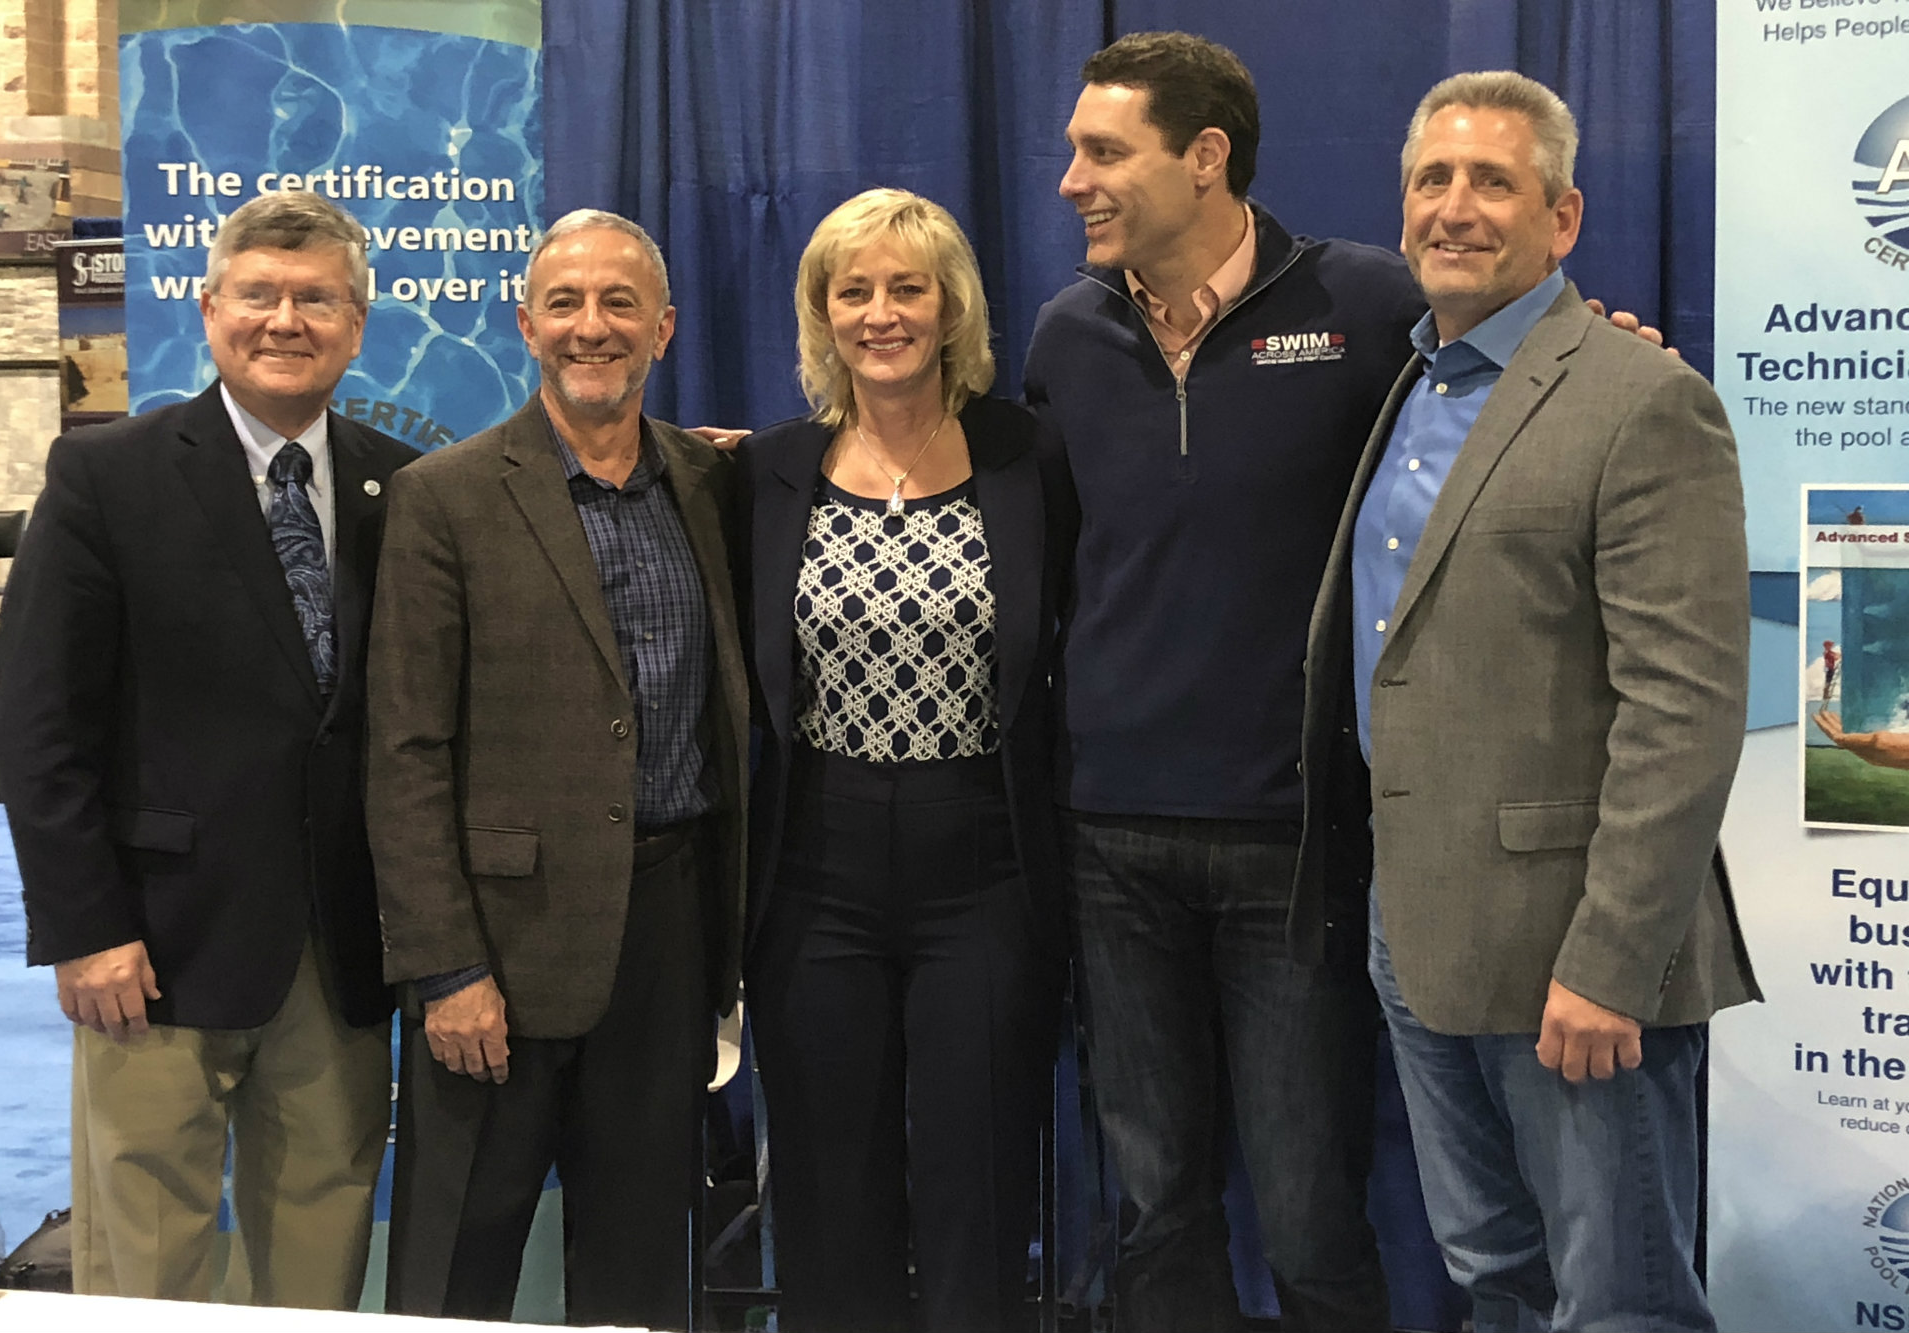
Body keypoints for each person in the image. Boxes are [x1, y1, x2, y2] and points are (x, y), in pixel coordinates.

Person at [1297, 71, 1758, 1330]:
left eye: (1490, 181)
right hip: (1420, 936)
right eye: (1431, 181)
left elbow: (1684, 710)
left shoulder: (1641, 399)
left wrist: (1609, 965)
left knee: (1620, 1301)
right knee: (1492, 1279)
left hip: (1574, 965)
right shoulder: (1411, 385)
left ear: (1561, 218)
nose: (1453, 207)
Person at [1020, 32, 1422, 1332]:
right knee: (1156, 1205)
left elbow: (1503, 415)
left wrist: (1615, 347)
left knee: (1310, 1208)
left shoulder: (1364, 306)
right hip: (1110, 842)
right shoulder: (1066, 336)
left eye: (1102, 151)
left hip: (1293, 848)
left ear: (1205, 157)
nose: (1071, 179)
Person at [0, 190, 416, 1307]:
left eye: (316, 297)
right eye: (260, 293)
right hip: (154, 950)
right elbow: (42, 725)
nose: (286, 318)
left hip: (336, 952)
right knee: (149, 1271)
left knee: (320, 1255)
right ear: (210, 306)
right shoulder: (107, 476)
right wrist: (86, 928)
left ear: (357, 324)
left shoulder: (400, 488)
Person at [365, 208, 749, 1330]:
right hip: (498, 949)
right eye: (567, 304)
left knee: (637, 1262)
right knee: (455, 1266)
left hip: (669, 932)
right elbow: (405, 748)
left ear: (664, 328)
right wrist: (444, 969)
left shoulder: (711, 483)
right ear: (525, 322)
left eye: (620, 303)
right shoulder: (446, 497)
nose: (593, 327)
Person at [736, 188, 1071, 1333]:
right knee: (831, 1189)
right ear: (821, 313)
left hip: (981, 864)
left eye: (906, 286)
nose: (881, 312)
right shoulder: (769, 472)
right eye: (854, 289)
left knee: (978, 1183)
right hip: (814, 871)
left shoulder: (1027, 458)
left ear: (951, 305)